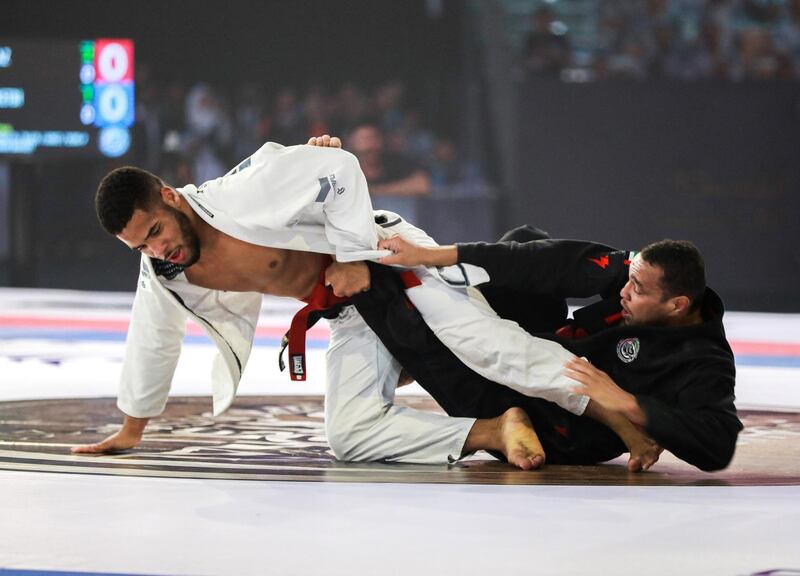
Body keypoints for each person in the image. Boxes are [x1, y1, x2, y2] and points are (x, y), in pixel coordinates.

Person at [72, 136, 628, 470]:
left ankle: (625, 415)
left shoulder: (240, 191)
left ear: (169, 197)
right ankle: (492, 429)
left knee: (491, 348)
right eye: (140, 245)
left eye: (155, 230)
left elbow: (337, 170)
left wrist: (353, 254)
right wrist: (132, 429)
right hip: (346, 313)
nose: (157, 249)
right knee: (350, 432)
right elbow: (152, 336)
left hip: (390, 261)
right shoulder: (165, 269)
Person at [362, 229, 742, 472]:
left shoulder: (704, 361)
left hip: (564, 428)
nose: (623, 292)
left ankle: (425, 354)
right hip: (551, 346)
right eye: (628, 280)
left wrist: (628, 404)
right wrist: (431, 256)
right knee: (526, 241)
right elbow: (548, 260)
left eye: (638, 290)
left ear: (677, 305)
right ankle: (427, 335)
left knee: (383, 299)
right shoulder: (636, 276)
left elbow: (718, 446)